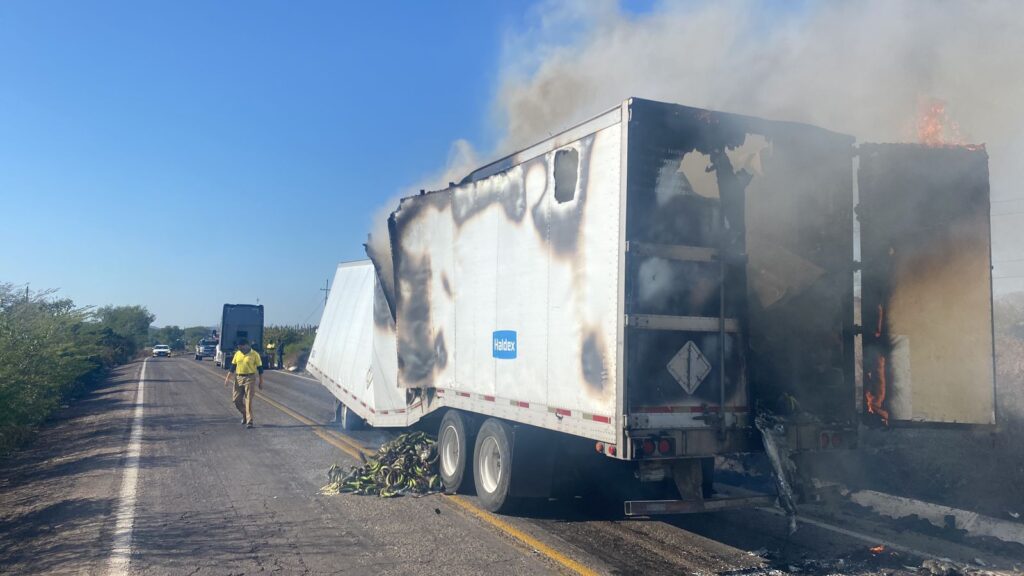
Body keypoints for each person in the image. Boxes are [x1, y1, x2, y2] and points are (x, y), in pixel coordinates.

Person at [223, 338, 263, 428]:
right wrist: (227, 379)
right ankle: (244, 414)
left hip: (250, 378)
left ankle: (250, 421)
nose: (239, 348)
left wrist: (261, 381)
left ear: (246, 345)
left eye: (240, 347)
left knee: (248, 400)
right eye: (238, 347)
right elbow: (232, 367)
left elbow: (260, 369)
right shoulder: (237, 354)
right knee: (236, 400)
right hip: (238, 378)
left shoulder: (255, 354)